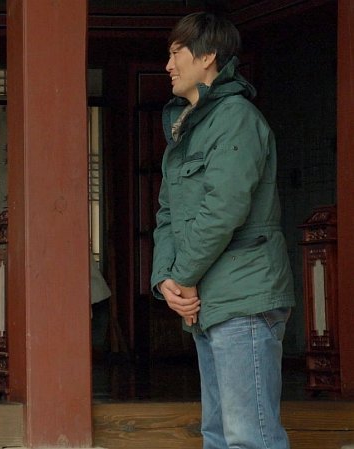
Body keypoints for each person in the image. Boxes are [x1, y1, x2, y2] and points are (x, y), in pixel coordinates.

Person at [150, 12, 295, 449]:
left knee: (249, 437)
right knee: (217, 434)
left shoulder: (236, 118)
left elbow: (223, 209)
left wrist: (184, 277)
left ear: (207, 56)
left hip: (244, 297)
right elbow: (167, 213)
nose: (168, 65)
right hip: (211, 301)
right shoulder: (186, 130)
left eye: (176, 53)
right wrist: (166, 279)